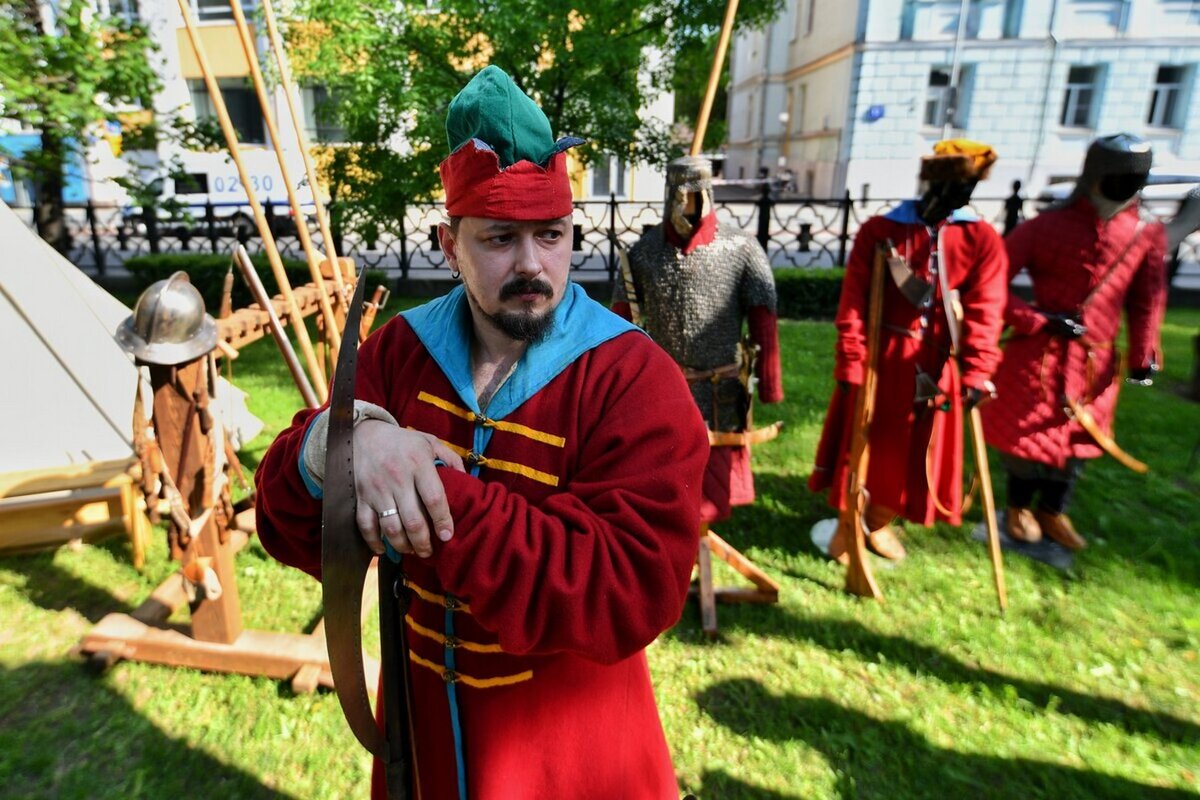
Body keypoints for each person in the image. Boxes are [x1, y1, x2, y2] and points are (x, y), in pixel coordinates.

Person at [254, 65, 709, 799]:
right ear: (448, 243)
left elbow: (628, 588)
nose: (533, 265)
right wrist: (333, 447)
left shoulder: (632, 377)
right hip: (423, 743)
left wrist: (432, 492)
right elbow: (288, 525)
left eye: (552, 236)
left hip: (571, 757)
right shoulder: (402, 353)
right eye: (499, 239)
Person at [809, 140, 1008, 562]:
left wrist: (977, 371)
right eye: (953, 184)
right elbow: (853, 305)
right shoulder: (880, 231)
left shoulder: (982, 239)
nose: (959, 195)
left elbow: (987, 310)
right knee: (867, 445)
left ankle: (878, 521)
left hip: (940, 366)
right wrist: (851, 359)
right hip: (881, 362)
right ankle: (851, 520)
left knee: (917, 455)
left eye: (966, 186)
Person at [982, 134, 1167, 550]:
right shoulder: (1046, 226)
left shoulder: (1145, 233)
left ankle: (1053, 510)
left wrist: (1143, 354)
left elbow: (1147, 298)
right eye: (1120, 177)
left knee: (1078, 442)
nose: (1128, 186)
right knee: (1027, 438)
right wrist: (1037, 319)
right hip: (1040, 357)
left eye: (1136, 179)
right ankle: (1018, 507)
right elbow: (991, 283)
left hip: (1094, 362)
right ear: (1097, 176)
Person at [613, 155, 783, 526]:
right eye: (683, 194)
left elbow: (763, 318)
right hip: (664, 391)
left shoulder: (741, 249)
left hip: (721, 391)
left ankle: (700, 547)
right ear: (670, 194)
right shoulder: (643, 253)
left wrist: (771, 386)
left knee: (713, 487)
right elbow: (619, 324)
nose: (689, 204)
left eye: (698, 194)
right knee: (665, 485)